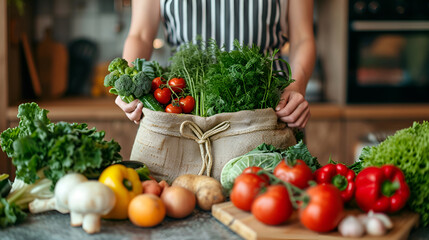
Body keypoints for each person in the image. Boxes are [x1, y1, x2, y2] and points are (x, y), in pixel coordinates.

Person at [116, 0, 316, 129]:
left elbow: (302, 38)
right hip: (185, 112)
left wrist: (296, 87)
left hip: (268, 110)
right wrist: (130, 84)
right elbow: (140, 36)